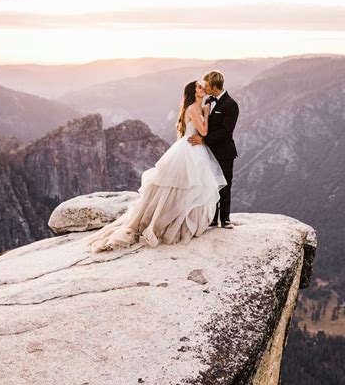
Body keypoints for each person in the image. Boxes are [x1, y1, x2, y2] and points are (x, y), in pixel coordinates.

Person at [85, 80, 227, 252]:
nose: (204, 88)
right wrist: (206, 111)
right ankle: (172, 224)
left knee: (189, 186)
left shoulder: (193, 107)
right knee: (184, 186)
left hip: (192, 148)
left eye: (204, 86)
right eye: (199, 87)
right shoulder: (192, 108)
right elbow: (203, 132)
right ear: (193, 91)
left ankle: (185, 220)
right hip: (190, 148)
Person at [187, 70, 239, 228]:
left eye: (207, 85)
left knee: (224, 184)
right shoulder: (208, 100)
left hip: (223, 152)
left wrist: (203, 140)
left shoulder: (231, 105)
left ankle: (225, 219)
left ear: (215, 86)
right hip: (207, 152)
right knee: (209, 184)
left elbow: (226, 131)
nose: (205, 87)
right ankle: (211, 218)